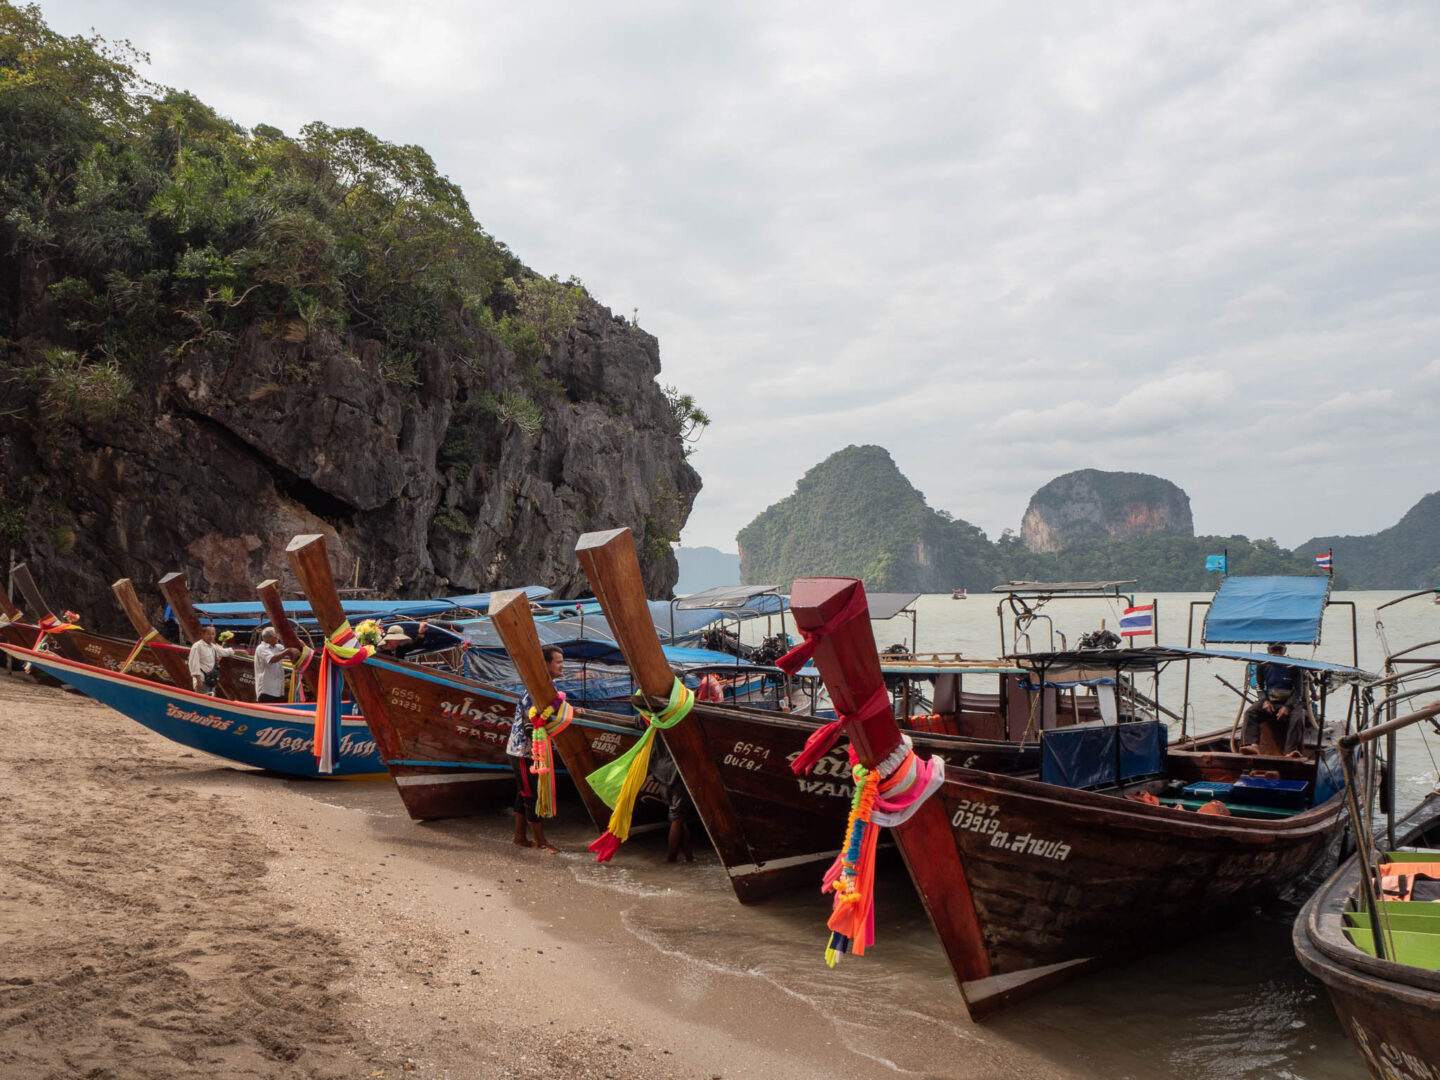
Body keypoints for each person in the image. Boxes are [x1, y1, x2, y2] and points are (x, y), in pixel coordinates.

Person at [506, 644, 561, 853]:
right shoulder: (535, 691)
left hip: (528, 750)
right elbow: (533, 722)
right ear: (546, 665)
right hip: (523, 751)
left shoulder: (546, 688)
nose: (562, 667)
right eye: (558, 662)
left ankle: (519, 837)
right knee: (530, 795)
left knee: (523, 793)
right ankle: (541, 842)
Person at [1240, 643, 1309, 757]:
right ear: (1268, 650)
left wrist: (1287, 707)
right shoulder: (1262, 664)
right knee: (1250, 712)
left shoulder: (1294, 666)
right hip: (1271, 701)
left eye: (1279, 649)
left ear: (1284, 651)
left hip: (1290, 702)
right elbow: (1259, 686)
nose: (1276, 652)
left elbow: (1298, 691)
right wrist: (1264, 701)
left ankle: (1290, 751)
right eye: (1274, 649)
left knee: (1298, 717)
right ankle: (1252, 745)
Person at [252, 626, 300, 703]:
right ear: (269, 637)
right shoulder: (261, 648)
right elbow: (272, 659)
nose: (277, 637)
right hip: (266, 689)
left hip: (277, 689)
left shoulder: (278, 647)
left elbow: (289, 651)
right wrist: (288, 651)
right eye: (276, 635)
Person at [187, 624, 234, 695]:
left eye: (213, 634)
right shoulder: (197, 646)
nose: (211, 636)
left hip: (211, 680)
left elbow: (223, 652)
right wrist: (198, 681)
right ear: (203, 634)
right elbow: (193, 664)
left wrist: (237, 651)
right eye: (208, 634)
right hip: (202, 681)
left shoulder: (213, 647)